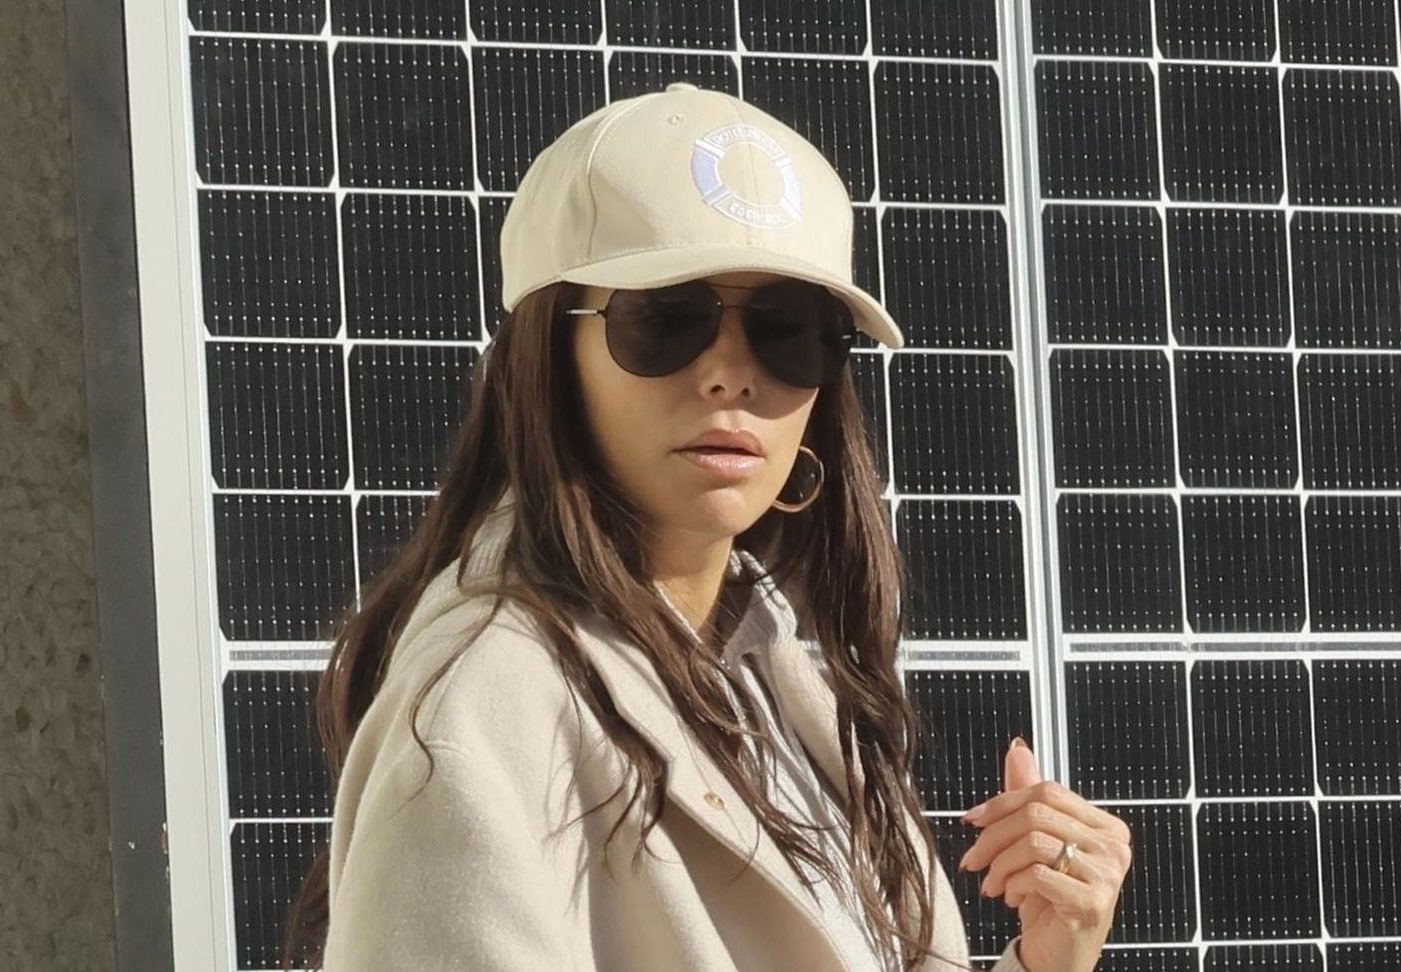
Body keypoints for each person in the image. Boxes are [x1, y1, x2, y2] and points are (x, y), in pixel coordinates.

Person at [281, 82, 1131, 971]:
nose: (732, 375)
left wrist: (1049, 958)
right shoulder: (481, 712)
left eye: (789, 331)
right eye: (666, 320)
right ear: (549, 356)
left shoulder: (764, 668)